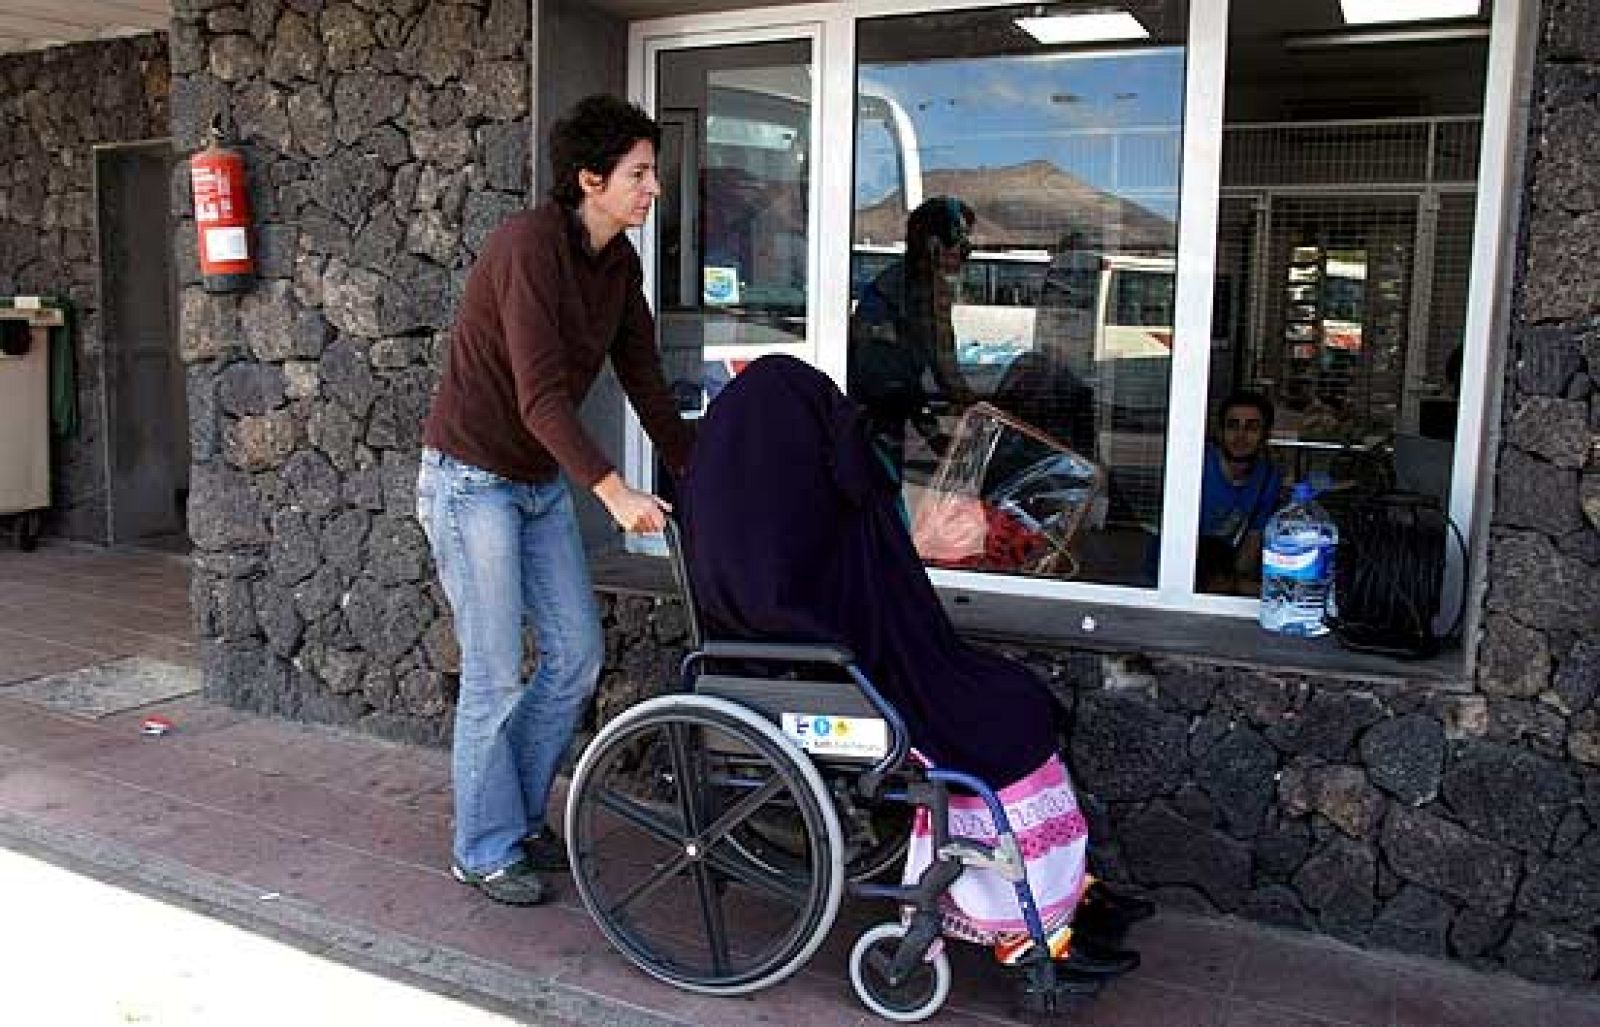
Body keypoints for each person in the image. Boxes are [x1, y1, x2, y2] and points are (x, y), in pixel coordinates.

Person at [679, 354, 1147, 981]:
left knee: (1016, 700)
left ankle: (1063, 894)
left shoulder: (788, 497)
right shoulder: (752, 524)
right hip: (819, 677)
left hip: (859, 665)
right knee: (993, 727)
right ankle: (1027, 928)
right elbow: (774, 609)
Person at [416, 95, 695, 906]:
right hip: (471, 481)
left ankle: (514, 818)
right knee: (496, 673)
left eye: (653, 173)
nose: (654, 188)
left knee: (575, 657)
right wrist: (613, 491)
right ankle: (482, 847)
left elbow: (646, 381)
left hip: (534, 484)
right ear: (590, 179)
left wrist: (702, 476)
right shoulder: (527, 248)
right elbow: (539, 398)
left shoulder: (618, 266)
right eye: (640, 174)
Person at [848, 196, 978, 476]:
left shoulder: (903, 280)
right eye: (961, 242)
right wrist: (970, 404)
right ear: (933, 244)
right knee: (880, 483)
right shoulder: (921, 289)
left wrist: (933, 429)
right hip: (876, 412)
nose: (965, 252)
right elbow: (937, 364)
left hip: (875, 406)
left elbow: (908, 370)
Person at [1197, 389, 1283, 594]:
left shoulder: (1268, 477)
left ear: (1265, 435)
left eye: (1252, 427)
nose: (1240, 436)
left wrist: (1236, 584)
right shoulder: (1198, 467)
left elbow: (1253, 537)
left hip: (1222, 575)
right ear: (1220, 431)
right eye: (1232, 425)